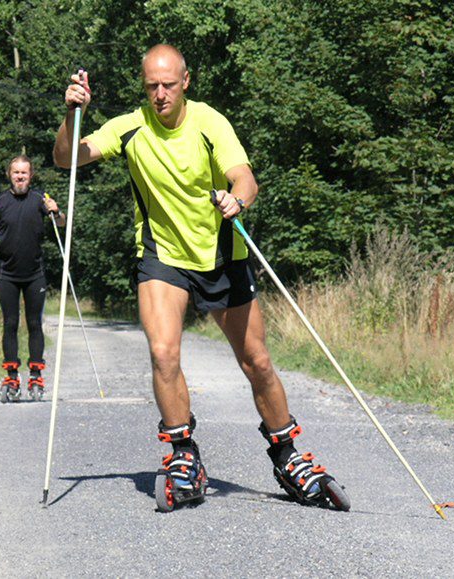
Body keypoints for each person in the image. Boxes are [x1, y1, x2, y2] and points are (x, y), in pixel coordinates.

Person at [53, 45, 349, 510]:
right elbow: (68, 158)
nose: (160, 94)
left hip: (221, 256)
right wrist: (74, 113)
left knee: (257, 362)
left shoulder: (210, 122)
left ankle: (287, 454)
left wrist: (237, 200)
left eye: (168, 85)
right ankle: (182, 455)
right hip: (162, 257)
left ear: (185, 82)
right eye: (152, 85)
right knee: (163, 352)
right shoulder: (130, 126)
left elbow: (244, 176)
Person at [0, 155, 65, 403]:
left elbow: (62, 224)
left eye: (24, 173)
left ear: (31, 176)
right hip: (8, 274)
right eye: (16, 173)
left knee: (35, 324)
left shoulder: (39, 199)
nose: (20, 177)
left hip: (35, 274)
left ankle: (36, 374)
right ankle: (12, 375)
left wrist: (56, 212)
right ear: (9, 175)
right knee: (10, 323)